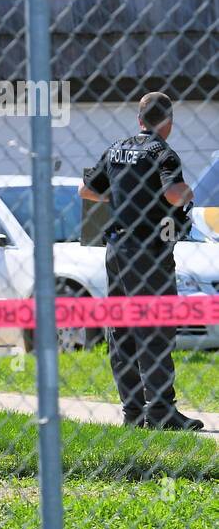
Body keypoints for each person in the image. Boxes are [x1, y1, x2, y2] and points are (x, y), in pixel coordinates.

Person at [80, 91, 203, 431]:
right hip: (149, 251)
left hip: (117, 249)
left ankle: (133, 412)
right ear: (168, 123)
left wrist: (121, 195)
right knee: (156, 328)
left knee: (122, 329)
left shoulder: (117, 148)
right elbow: (173, 194)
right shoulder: (163, 152)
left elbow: (86, 191)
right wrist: (187, 192)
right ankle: (161, 410)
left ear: (139, 120)